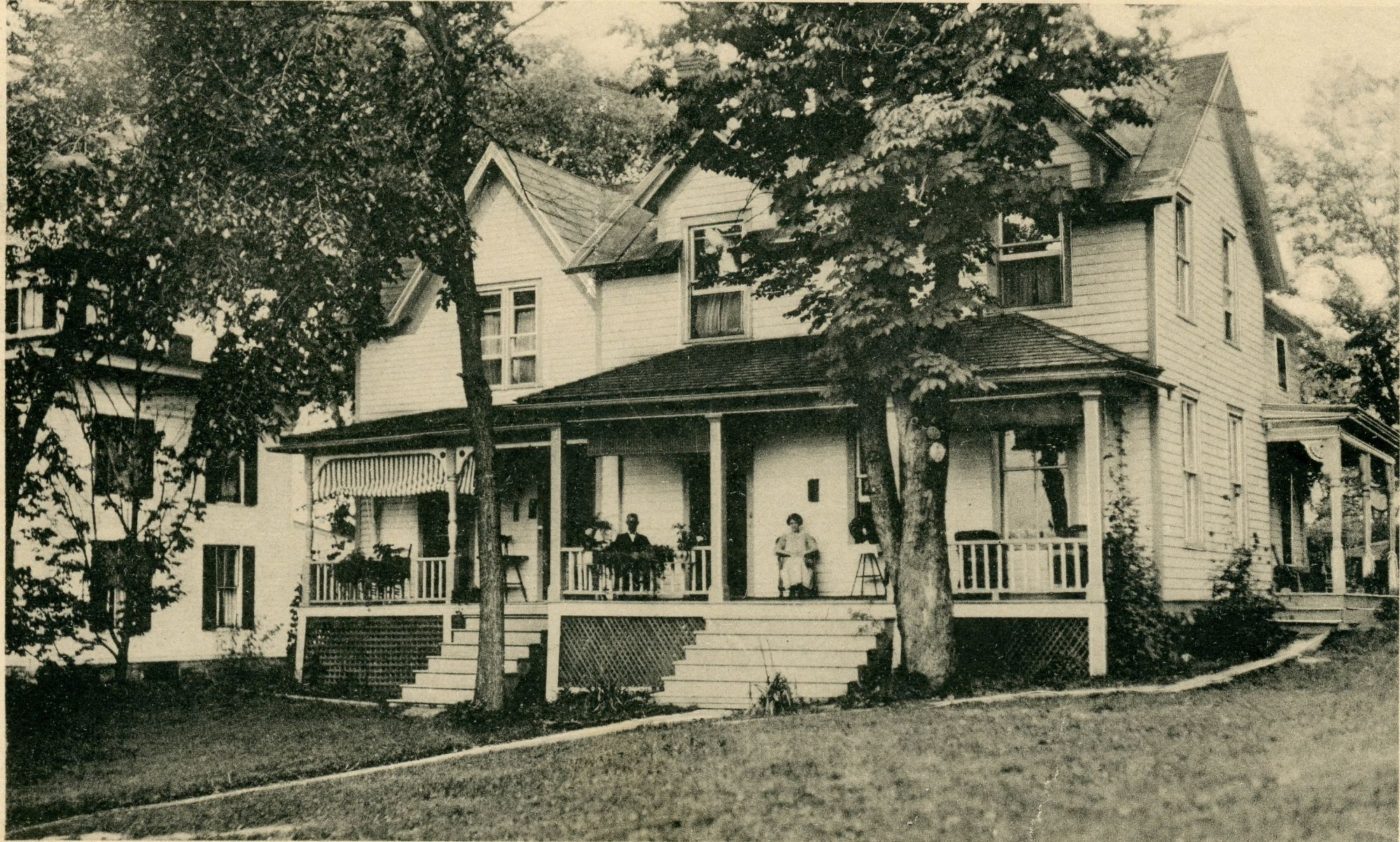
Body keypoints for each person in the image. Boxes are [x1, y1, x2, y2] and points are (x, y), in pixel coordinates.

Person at [774, 513, 819, 598]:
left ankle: (798, 588)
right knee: (792, 563)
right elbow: (777, 549)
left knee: (799, 562)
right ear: (789, 524)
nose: (793, 525)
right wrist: (788, 553)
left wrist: (805, 552)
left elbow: (814, 548)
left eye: (795, 523)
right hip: (789, 558)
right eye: (791, 523)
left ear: (799, 523)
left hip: (802, 558)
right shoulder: (786, 536)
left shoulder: (805, 535)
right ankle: (794, 588)